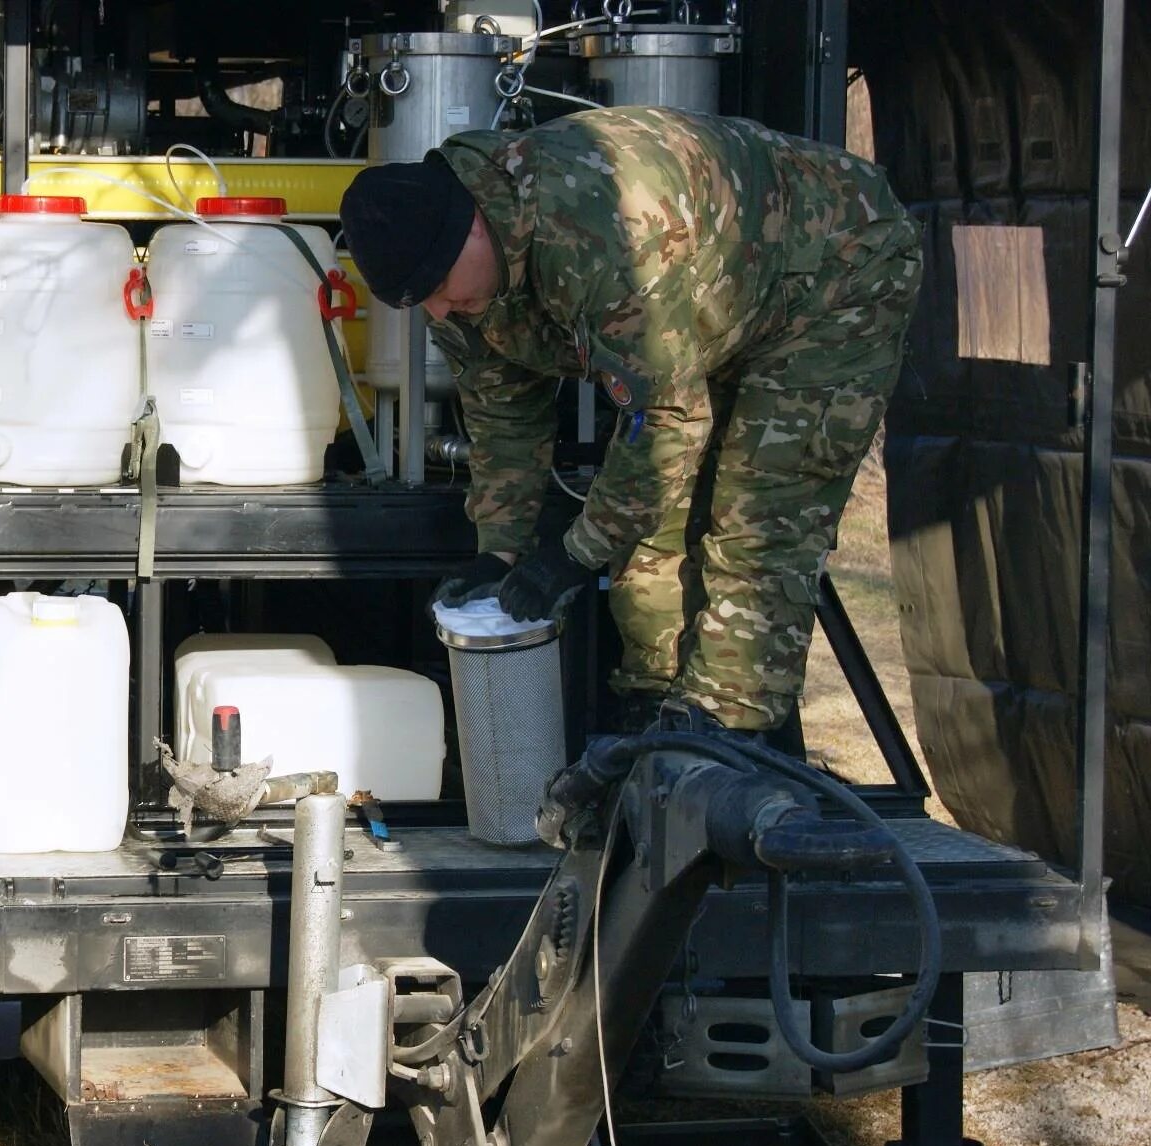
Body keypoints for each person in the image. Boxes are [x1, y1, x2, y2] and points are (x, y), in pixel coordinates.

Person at [340, 106, 923, 735]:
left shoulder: (599, 233)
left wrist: (572, 554)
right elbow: (504, 417)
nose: (441, 309)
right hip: (721, 292)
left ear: (472, 227)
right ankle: (653, 722)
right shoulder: (462, 285)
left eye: (438, 286)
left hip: (835, 270)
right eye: (419, 300)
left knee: (757, 516)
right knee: (651, 529)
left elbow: (667, 423)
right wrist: (500, 553)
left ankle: (728, 747)